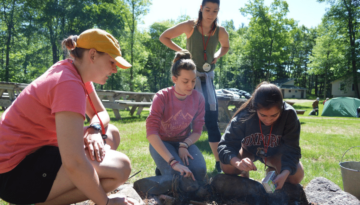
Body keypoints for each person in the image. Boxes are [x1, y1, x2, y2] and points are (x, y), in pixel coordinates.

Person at [0, 29, 138, 205]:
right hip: (13, 175)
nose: (115, 69)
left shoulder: (74, 73)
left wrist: (94, 130)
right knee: (121, 167)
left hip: (35, 153)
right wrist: (106, 202)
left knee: (111, 132)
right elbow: (74, 162)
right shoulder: (68, 83)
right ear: (93, 55)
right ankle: (38, 202)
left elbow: (101, 114)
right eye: (111, 62)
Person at [159, 0, 230, 172]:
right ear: (201, 9)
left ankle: (220, 163)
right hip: (188, 79)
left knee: (212, 121)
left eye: (215, 10)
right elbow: (164, 37)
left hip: (207, 80)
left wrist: (217, 56)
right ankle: (166, 160)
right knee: (180, 118)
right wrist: (184, 53)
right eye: (207, 9)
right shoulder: (190, 26)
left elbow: (226, 46)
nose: (211, 14)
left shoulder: (220, 31)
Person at [218, 82, 304, 190]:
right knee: (228, 167)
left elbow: (292, 150)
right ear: (255, 108)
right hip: (248, 152)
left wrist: (284, 173)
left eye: (274, 115)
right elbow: (225, 146)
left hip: (275, 154)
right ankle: (245, 171)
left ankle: (272, 171)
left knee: (296, 176)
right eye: (263, 115)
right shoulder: (244, 115)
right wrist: (238, 163)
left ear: (281, 108)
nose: (268, 120)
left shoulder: (289, 115)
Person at [146, 50, 206, 183]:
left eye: (193, 81)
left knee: (200, 172)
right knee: (178, 176)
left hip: (184, 142)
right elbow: (151, 133)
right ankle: (164, 168)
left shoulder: (198, 98)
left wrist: (184, 145)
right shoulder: (162, 97)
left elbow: (197, 131)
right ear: (174, 79)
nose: (191, 86)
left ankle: (165, 168)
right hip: (162, 142)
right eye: (185, 81)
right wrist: (173, 162)